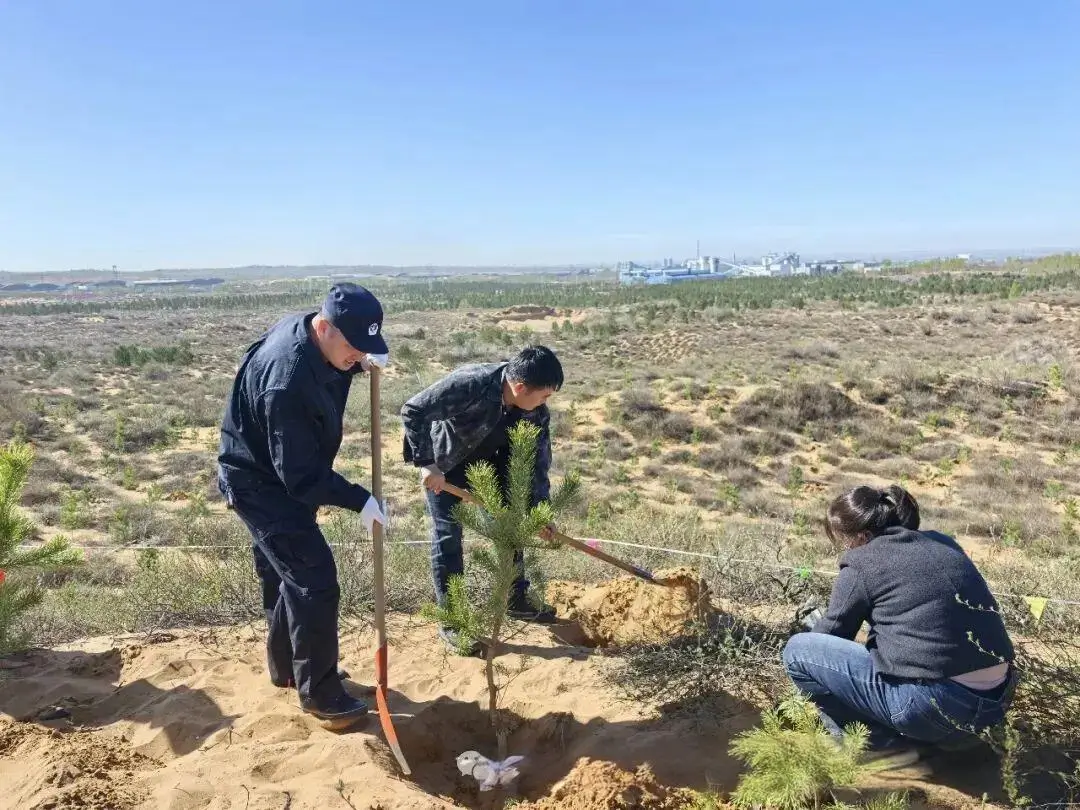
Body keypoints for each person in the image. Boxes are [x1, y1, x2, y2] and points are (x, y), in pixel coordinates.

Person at [217, 283, 388, 727]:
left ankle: (290, 669)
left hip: (271, 470)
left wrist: (358, 360)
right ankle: (321, 695)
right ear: (325, 327)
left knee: (285, 574)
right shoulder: (287, 381)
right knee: (314, 579)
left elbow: (336, 364)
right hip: (262, 485)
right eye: (353, 345)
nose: (357, 354)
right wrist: (358, 498)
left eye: (364, 345)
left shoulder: (315, 336)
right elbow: (301, 476)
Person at [782, 484, 1017, 767]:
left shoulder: (861, 562)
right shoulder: (944, 542)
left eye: (843, 541)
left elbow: (831, 635)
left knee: (797, 651)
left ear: (863, 536)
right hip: (996, 702)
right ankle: (950, 743)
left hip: (934, 706)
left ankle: (875, 747)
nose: (843, 549)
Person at [400, 345, 563, 654]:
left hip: (492, 468)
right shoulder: (471, 384)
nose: (545, 403)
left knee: (511, 530)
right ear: (519, 387)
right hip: (445, 467)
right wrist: (426, 464)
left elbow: (537, 464)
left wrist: (539, 511)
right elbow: (413, 410)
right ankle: (453, 623)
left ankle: (516, 600)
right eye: (543, 395)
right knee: (447, 537)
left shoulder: (535, 412)